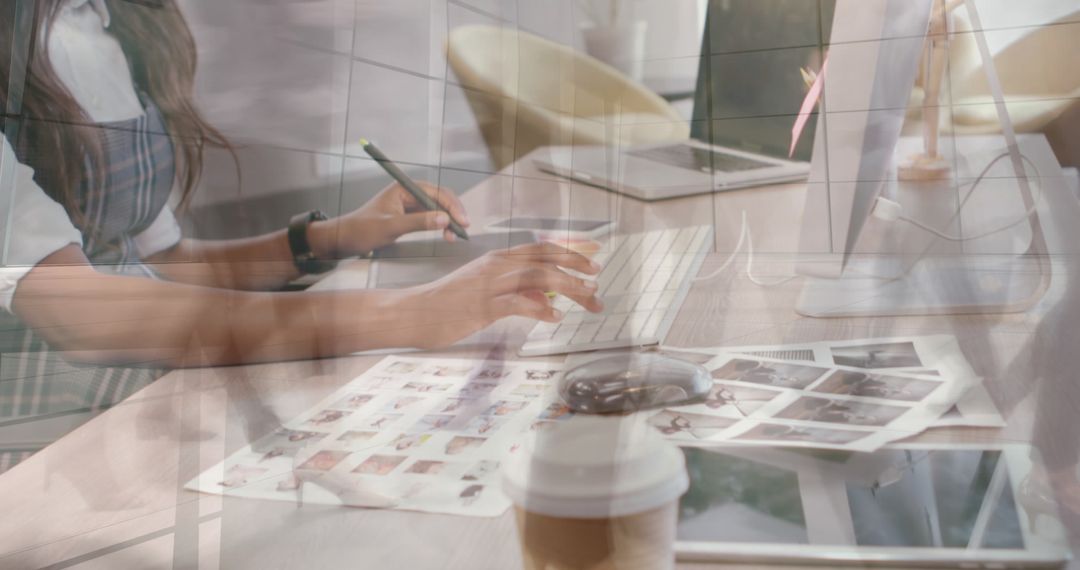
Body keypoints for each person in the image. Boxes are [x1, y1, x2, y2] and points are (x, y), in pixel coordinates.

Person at [0, 0, 602, 472]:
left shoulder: (111, 24)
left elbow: (162, 260)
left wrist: (328, 239)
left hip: (158, 384)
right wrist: (412, 312)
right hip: (53, 435)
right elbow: (76, 310)